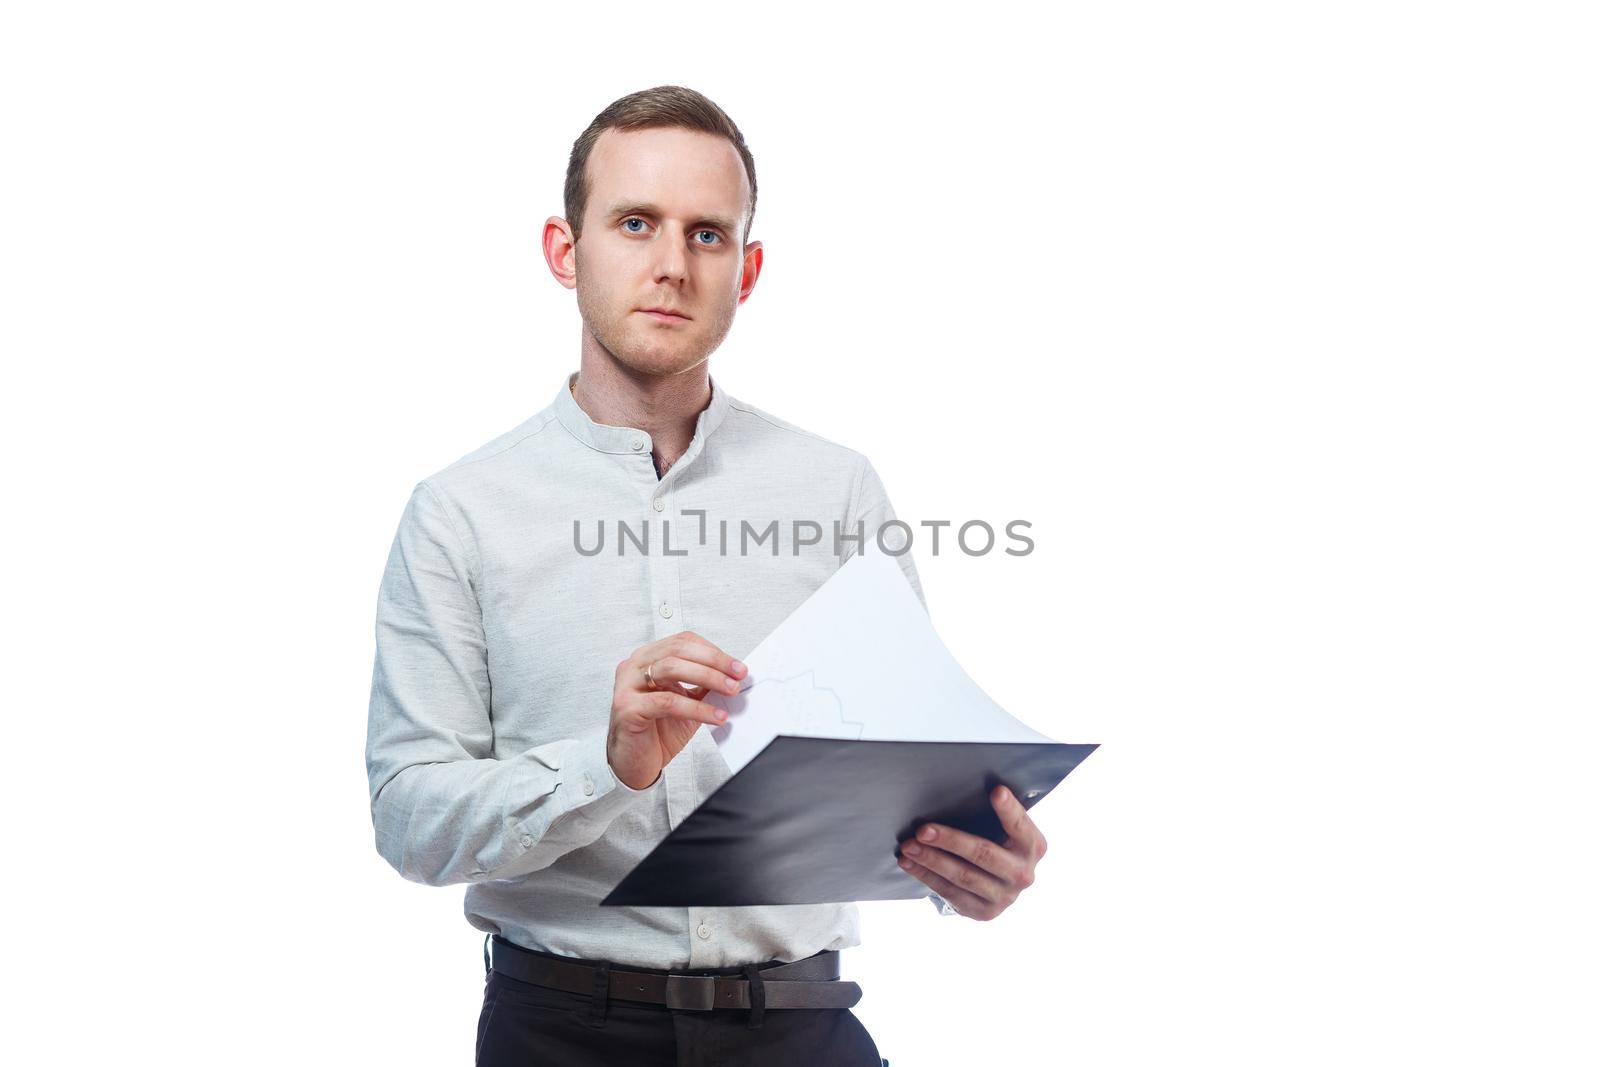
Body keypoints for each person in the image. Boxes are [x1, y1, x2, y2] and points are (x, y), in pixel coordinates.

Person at [364, 85, 1050, 1067]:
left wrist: (971, 862)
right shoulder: (460, 511)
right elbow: (408, 818)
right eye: (635, 223)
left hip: (804, 1026)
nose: (671, 266)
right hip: (559, 1033)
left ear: (748, 268)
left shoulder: (838, 486)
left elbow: (908, 773)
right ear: (567, 250)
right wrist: (609, 764)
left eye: (708, 234)